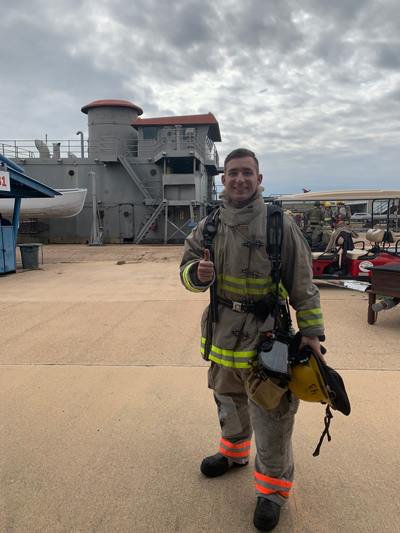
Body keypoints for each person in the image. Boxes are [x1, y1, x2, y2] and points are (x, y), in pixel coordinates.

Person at [180, 148, 325, 532]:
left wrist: (310, 334)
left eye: (247, 173)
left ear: (258, 180)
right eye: (232, 173)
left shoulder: (280, 223)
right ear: (223, 180)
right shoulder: (208, 226)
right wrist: (198, 273)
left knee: (273, 412)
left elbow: (303, 283)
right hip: (222, 333)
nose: (240, 179)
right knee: (227, 399)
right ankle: (234, 453)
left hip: (268, 338)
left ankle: (272, 492)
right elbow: (186, 269)